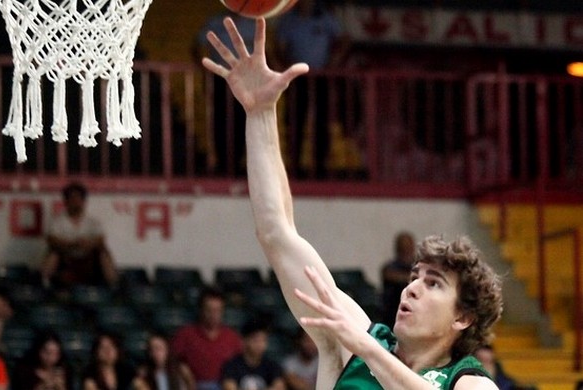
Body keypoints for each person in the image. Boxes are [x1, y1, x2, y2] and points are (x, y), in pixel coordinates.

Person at [201, 17, 504, 389]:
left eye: (434, 283)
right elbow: (277, 233)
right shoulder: (355, 341)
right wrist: (260, 114)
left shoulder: (470, 381)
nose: (412, 288)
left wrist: (370, 351)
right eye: (414, 277)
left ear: (463, 317)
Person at [274, 0, 348, 177]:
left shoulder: (325, 19)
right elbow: (280, 49)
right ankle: (294, 166)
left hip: (321, 78)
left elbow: (344, 40)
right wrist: (287, 68)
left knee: (322, 123)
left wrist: (333, 63)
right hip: (298, 79)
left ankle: (320, 166)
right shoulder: (288, 21)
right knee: (294, 121)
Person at [193, 11, 256, 176]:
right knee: (220, 120)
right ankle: (223, 163)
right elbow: (196, 47)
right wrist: (205, 70)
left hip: (246, 79)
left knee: (243, 118)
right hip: (221, 77)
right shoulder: (214, 22)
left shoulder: (253, 24)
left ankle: (238, 163)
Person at [41, 181, 118, 289]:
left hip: (88, 260)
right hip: (66, 258)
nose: (75, 202)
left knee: (104, 252)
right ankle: (45, 285)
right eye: (72, 198)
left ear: (83, 201)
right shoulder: (57, 221)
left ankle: (113, 286)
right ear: (66, 201)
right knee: (53, 253)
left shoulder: (93, 221)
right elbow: (52, 240)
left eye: (78, 198)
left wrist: (88, 243)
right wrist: (72, 244)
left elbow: (101, 239)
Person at [171, 287, 243, 390]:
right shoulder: (185, 334)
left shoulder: (232, 337)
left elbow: (241, 366)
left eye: (217, 310)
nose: (213, 315)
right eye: (209, 310)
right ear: (201, 310)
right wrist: (184, 373)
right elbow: (172, 361)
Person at [221, 320, 285, 390]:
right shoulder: (232, 365)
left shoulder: (271, 365)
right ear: (245, 341)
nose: (260, 345)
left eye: (264, 340)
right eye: (256, 340)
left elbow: (279, 387)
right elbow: (229, 387)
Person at [381, 231, 417, 328]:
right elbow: (391, 275)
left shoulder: (417, 266)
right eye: (403, 248)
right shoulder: (389, 268)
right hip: (392, 314)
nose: (406, 250)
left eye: (408, 247)